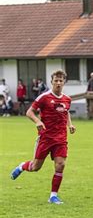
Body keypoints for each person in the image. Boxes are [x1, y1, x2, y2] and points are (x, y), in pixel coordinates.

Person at [10, 69, 76, 204]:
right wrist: (38, 121)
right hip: (45, 138)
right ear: (51, 82)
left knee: (60, 165)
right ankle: (23, 166)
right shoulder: (44, 97)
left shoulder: (67, 99)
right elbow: (29, 112)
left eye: (61, 80)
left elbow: (66, 112)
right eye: (56, 80)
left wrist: (70, 125)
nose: (58, 83)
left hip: (61, 139)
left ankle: (53, 196)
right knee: (35, 167)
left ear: (64, 82)